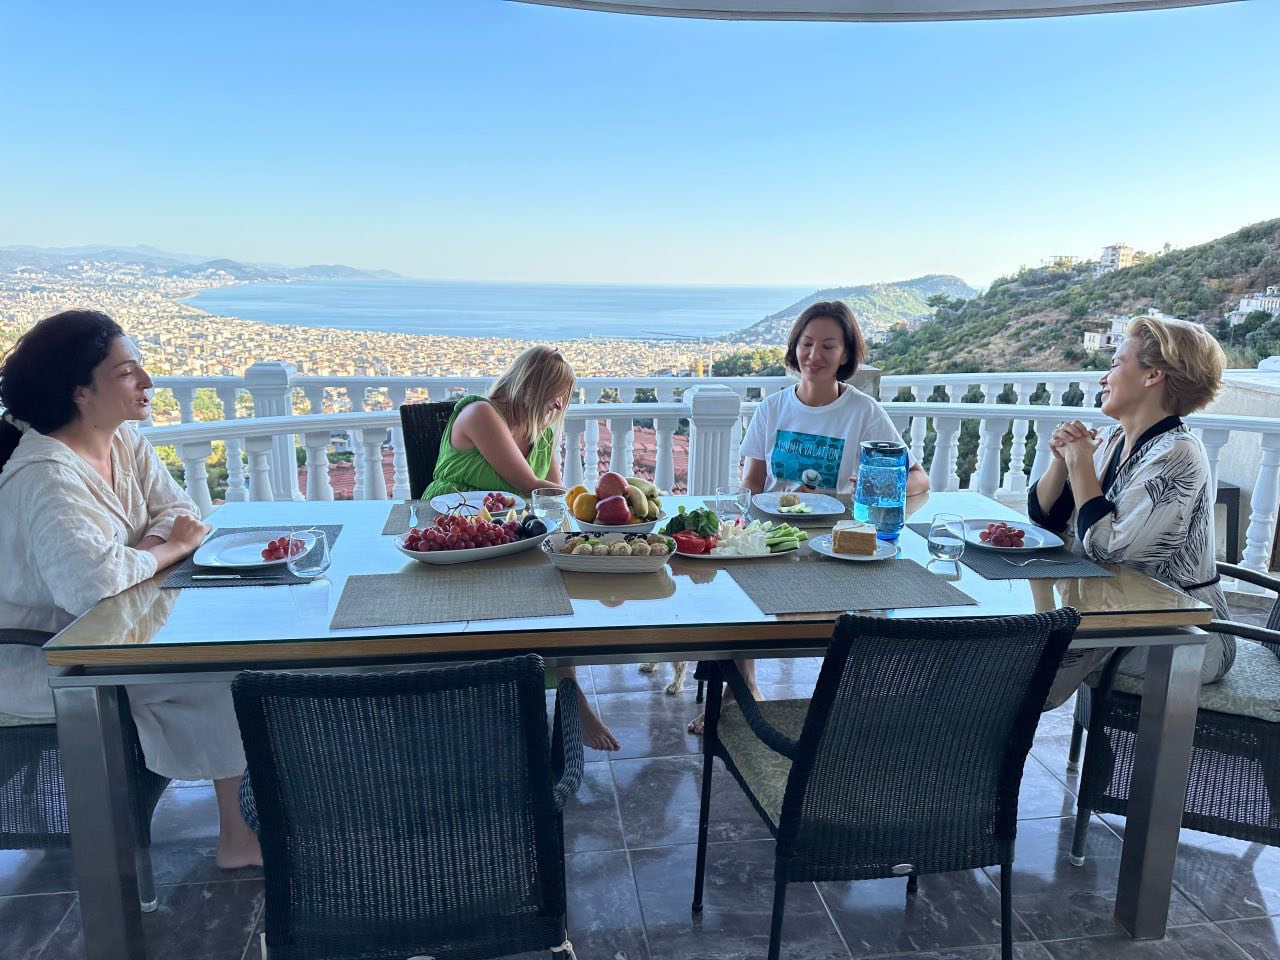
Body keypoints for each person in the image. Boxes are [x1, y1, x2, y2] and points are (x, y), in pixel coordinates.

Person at [0, 310, 261, 869]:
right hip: (47, 657)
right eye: (125, 372)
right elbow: (92, 585)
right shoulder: (46, 474)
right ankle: (238, 837)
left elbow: (182, 511)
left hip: (117, 629)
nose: (146, 381)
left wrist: (142, 550)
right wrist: (164, 550)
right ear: (79, 391)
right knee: (223, 674)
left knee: (235, 658)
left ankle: (248, 819)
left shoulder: (122, 443)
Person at [689, 301, 930, 734]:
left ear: (846, 354)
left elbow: (917, 478)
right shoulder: (773, 408)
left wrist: (868, 486)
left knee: (864, 607)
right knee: (733, 584)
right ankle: (742, 687)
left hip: (835, 539)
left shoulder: (862, 412)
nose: (814, 355)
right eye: (806, 343)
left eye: (828, 346)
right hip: (775, 534)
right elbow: (753, 483)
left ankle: (838, 709)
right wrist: (744, 525)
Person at [422, 346, 619, 751]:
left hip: (509, 533)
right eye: (555, 393)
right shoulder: (481, 413)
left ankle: (570, 694)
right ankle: (494, 692)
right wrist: (599, 498)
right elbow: (529, 485)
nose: (559, 404)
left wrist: (594, 509)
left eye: (564, 396)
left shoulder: (541, 429)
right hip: (454, 531)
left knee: (558, 589)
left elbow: (550, 495)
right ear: (531, 385)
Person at [1030, 313, 1234, 701]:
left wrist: (1080, 463)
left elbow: (1107, 548)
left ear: (1153, 375)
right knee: (1018, 644)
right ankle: (977, 723)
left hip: (1182, 632)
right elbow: (1046, 518)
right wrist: (1061, 462)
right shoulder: (1112, 439)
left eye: (1115, 364)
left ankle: (973, 727)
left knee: (1023, 657)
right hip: (1113, 613)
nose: (1103, 378)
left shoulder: (1177, 453)